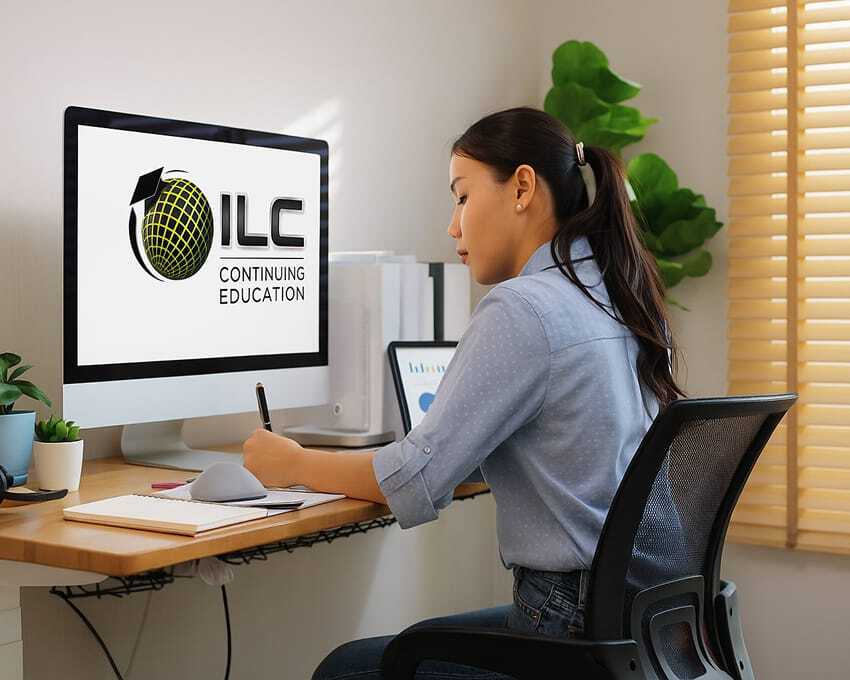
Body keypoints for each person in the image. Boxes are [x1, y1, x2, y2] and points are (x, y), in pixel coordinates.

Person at [242, 106, 684, 679]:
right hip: (646, 621)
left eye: (461, 196)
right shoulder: (621, 295)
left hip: (569, 623)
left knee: (346, 670)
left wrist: (293, 462)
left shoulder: (523, 308)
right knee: (399, 648)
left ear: (522, 187)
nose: (453, 226)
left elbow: (414, 478)